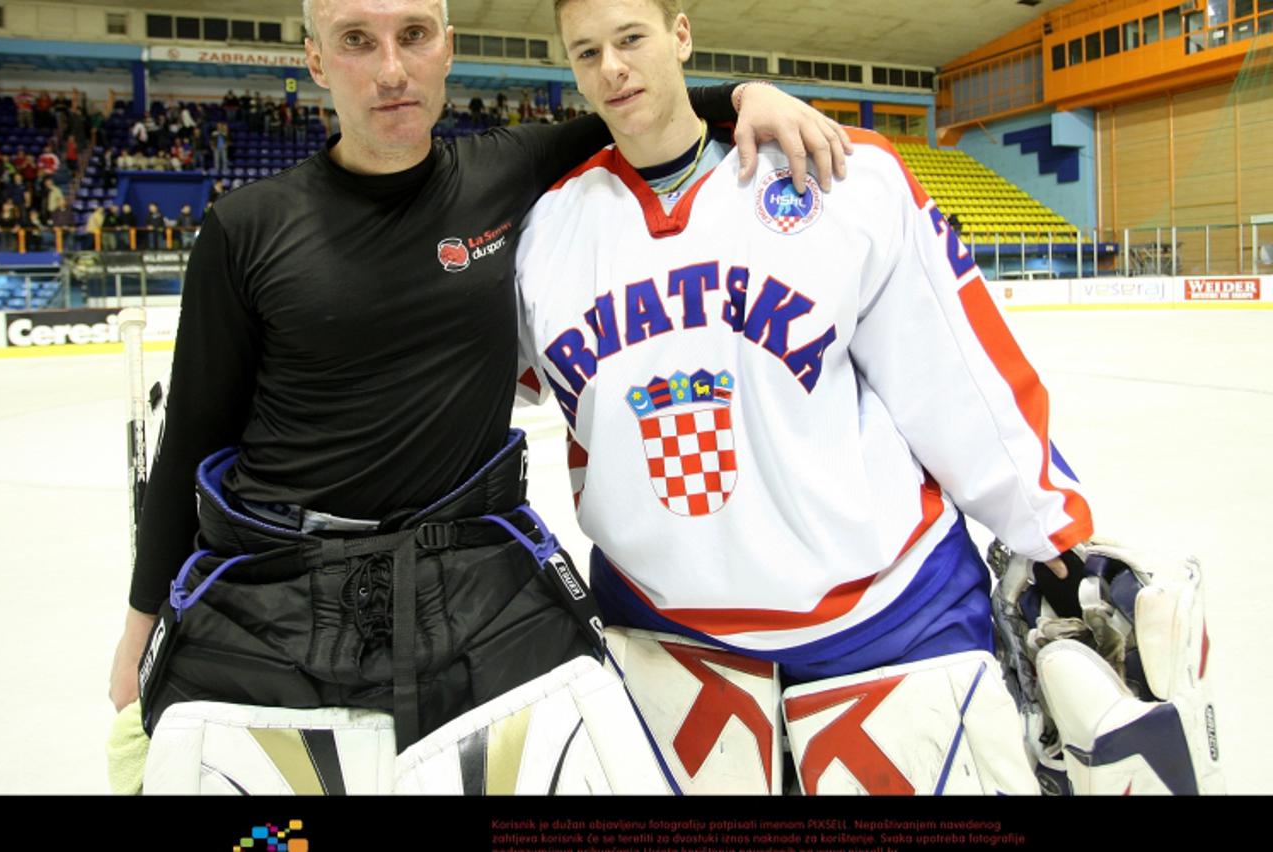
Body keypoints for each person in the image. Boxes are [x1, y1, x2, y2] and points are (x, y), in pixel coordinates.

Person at [107, 0, 851, 760]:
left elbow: (637, 106)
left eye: (414, 37)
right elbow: (195, 437)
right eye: (358, 42)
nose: (392, 70)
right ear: (318, 62)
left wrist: (747, 96)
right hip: (280, 588)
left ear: (448, 49)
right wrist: (142, 623)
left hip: (470, 579)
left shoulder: (502, 171)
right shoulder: (246, 227)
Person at [515, 0, 1107, 795]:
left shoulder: (839, 174)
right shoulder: (547, 233)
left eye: (631, 39)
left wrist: (1051, 533)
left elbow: (954, 377)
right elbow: (467, 394)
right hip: (666, 637)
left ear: (681, 34)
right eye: (586, 53)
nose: (612, 68)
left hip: (889, 616)